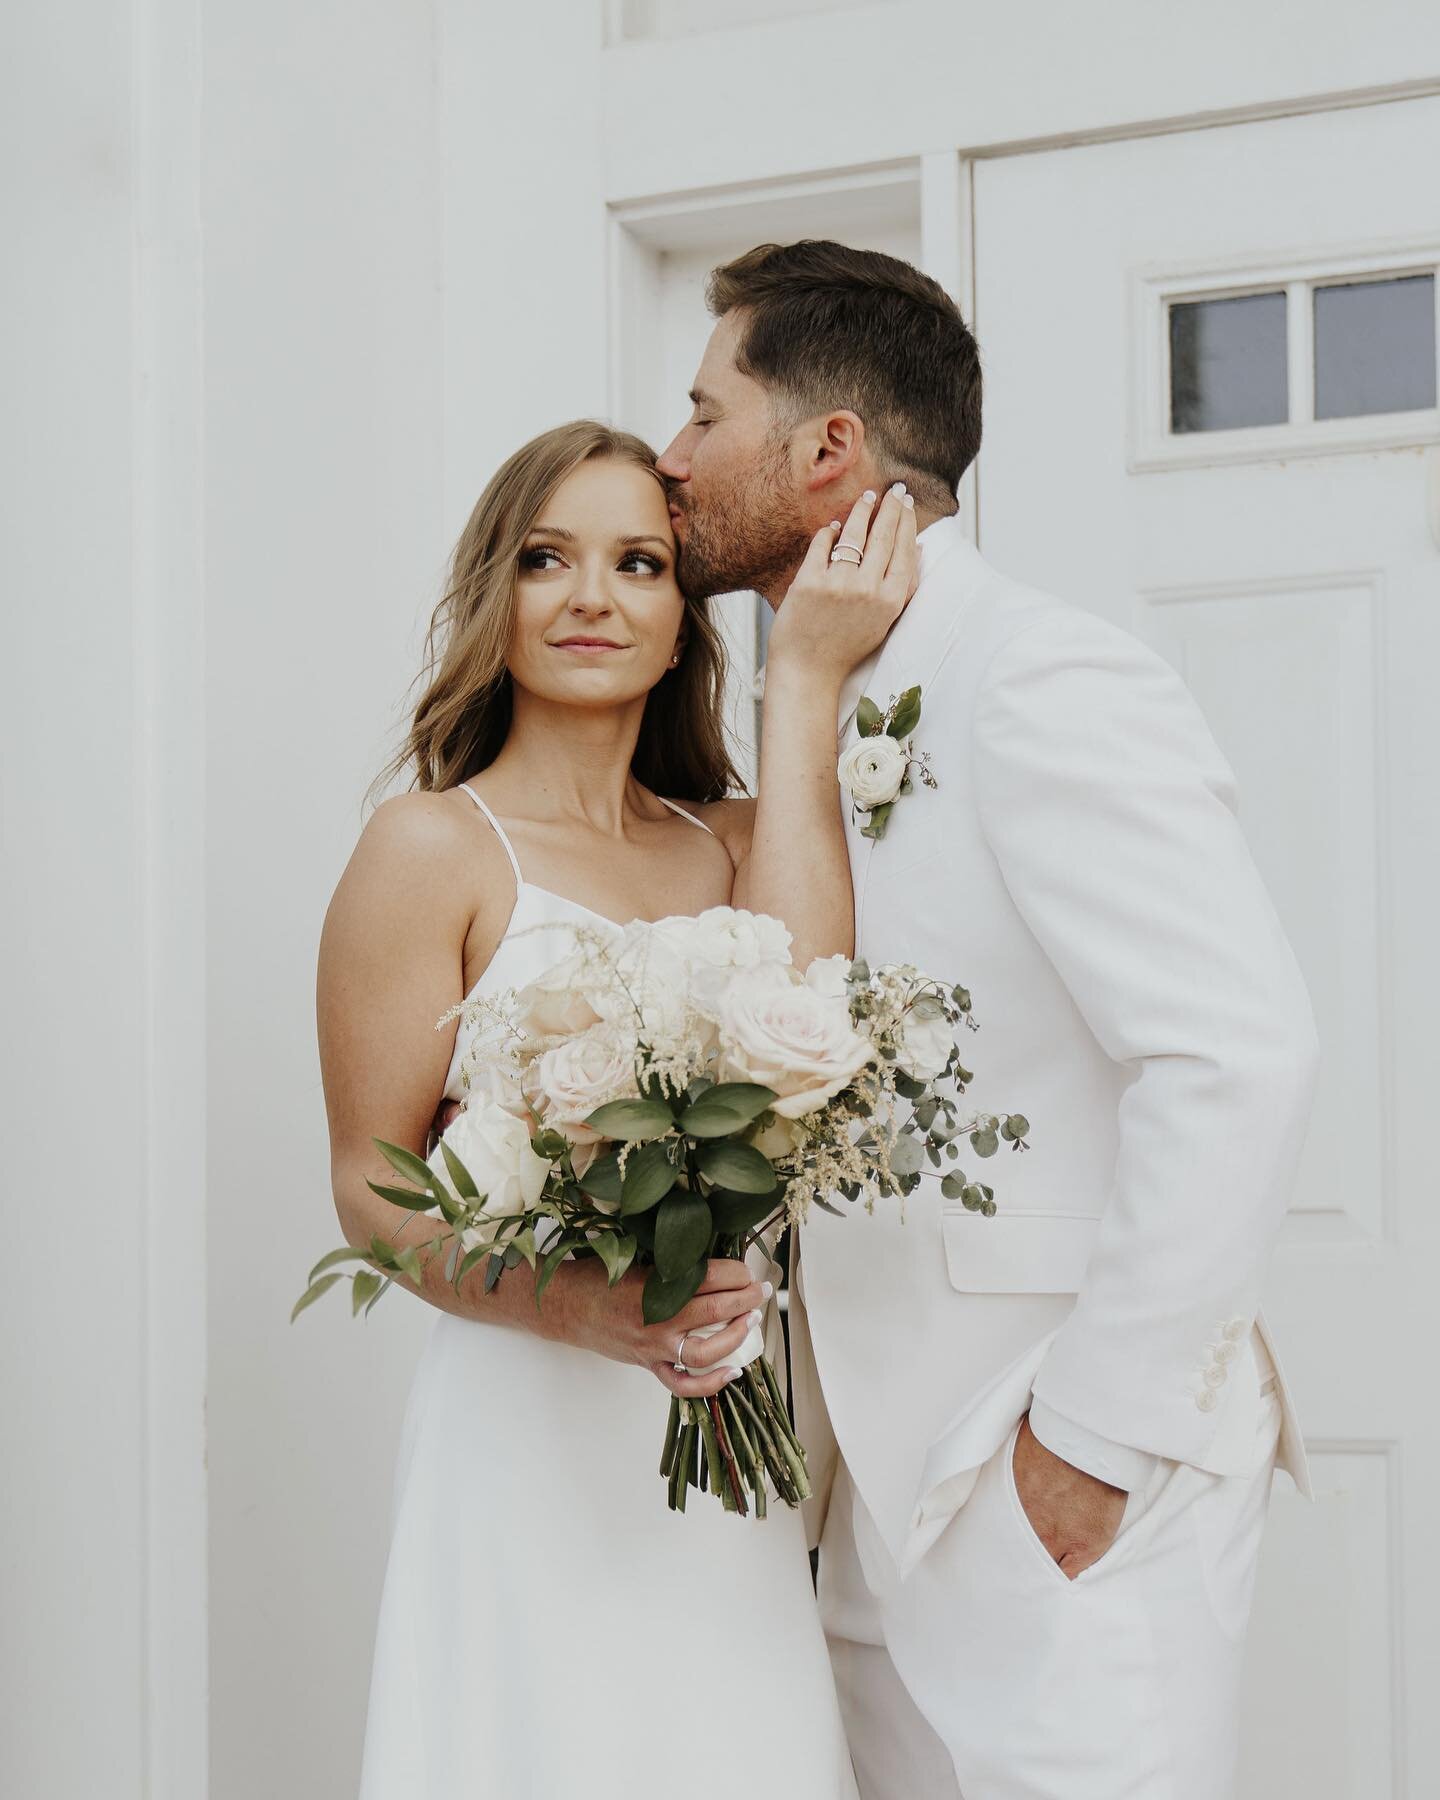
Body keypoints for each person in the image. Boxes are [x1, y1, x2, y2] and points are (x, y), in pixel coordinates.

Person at [656, 240, 1320, 1800]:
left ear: (829, 451)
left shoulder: (1038, 677)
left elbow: (1238, 1054)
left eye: (702, 415)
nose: (671, 463)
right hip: (862, 1500)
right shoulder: (813, 698)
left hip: (1051, 1479)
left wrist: (1086, 1443)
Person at [317, 417, 916, 1798]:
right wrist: (579, 1309)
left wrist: (811, 666)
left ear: (680, 619)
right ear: (496, 594)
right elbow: (370, 1182)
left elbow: (809, 1025)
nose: (592, 597)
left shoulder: (746, 837)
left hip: (727, 1435)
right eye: (547, 558)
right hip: (525, 1430)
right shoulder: (427, 848)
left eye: (640, 562)